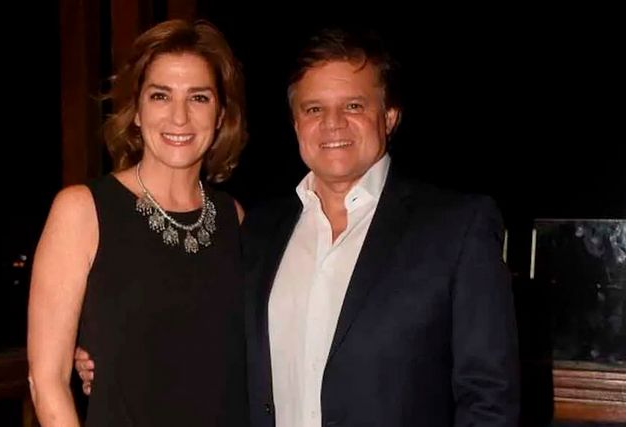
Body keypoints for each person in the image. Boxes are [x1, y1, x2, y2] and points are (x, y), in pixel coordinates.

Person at [78, 25, 520, 427]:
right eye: (314, 109)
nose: (332, 124)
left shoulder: (456, 228)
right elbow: (194, 325)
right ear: (296, 124)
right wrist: (111, 354)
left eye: (353, 106)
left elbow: (489, 398)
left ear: (389, 117)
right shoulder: (256, 230)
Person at [27, 19, 249, 427]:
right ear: (137, 112)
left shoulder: (234, 218)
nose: (179, 117)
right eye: (160, 95)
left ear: (220, 115)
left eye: (199, 97)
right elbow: (47, 381)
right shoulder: (82, 211)